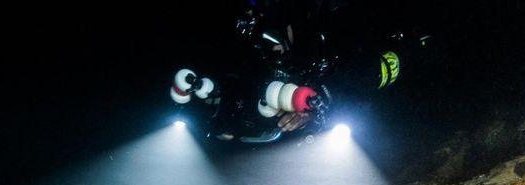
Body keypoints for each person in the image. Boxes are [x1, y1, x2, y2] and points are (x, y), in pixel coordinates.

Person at [170, 0, 429, 143]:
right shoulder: (263, 50)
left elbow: (362, 79)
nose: (269, 49)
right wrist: (218, 106)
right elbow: (250, 89)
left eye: (271, 38)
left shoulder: (332, 27)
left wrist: (324, 99)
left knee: (387, 68)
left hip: (404, 81)